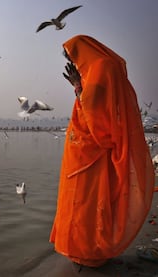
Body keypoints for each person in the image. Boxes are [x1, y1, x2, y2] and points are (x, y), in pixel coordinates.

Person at [50, 35, 155, 267]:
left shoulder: (101, 68)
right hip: (84, 151)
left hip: (91, 152)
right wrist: (80, 87)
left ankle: (89, 251)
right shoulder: (101, 68)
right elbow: (97, 105)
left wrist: (79, 87)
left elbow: (96, 111)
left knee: (86, 202)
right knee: (87, 201)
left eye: (73, 58)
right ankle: (87, 249)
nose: (74, 64)